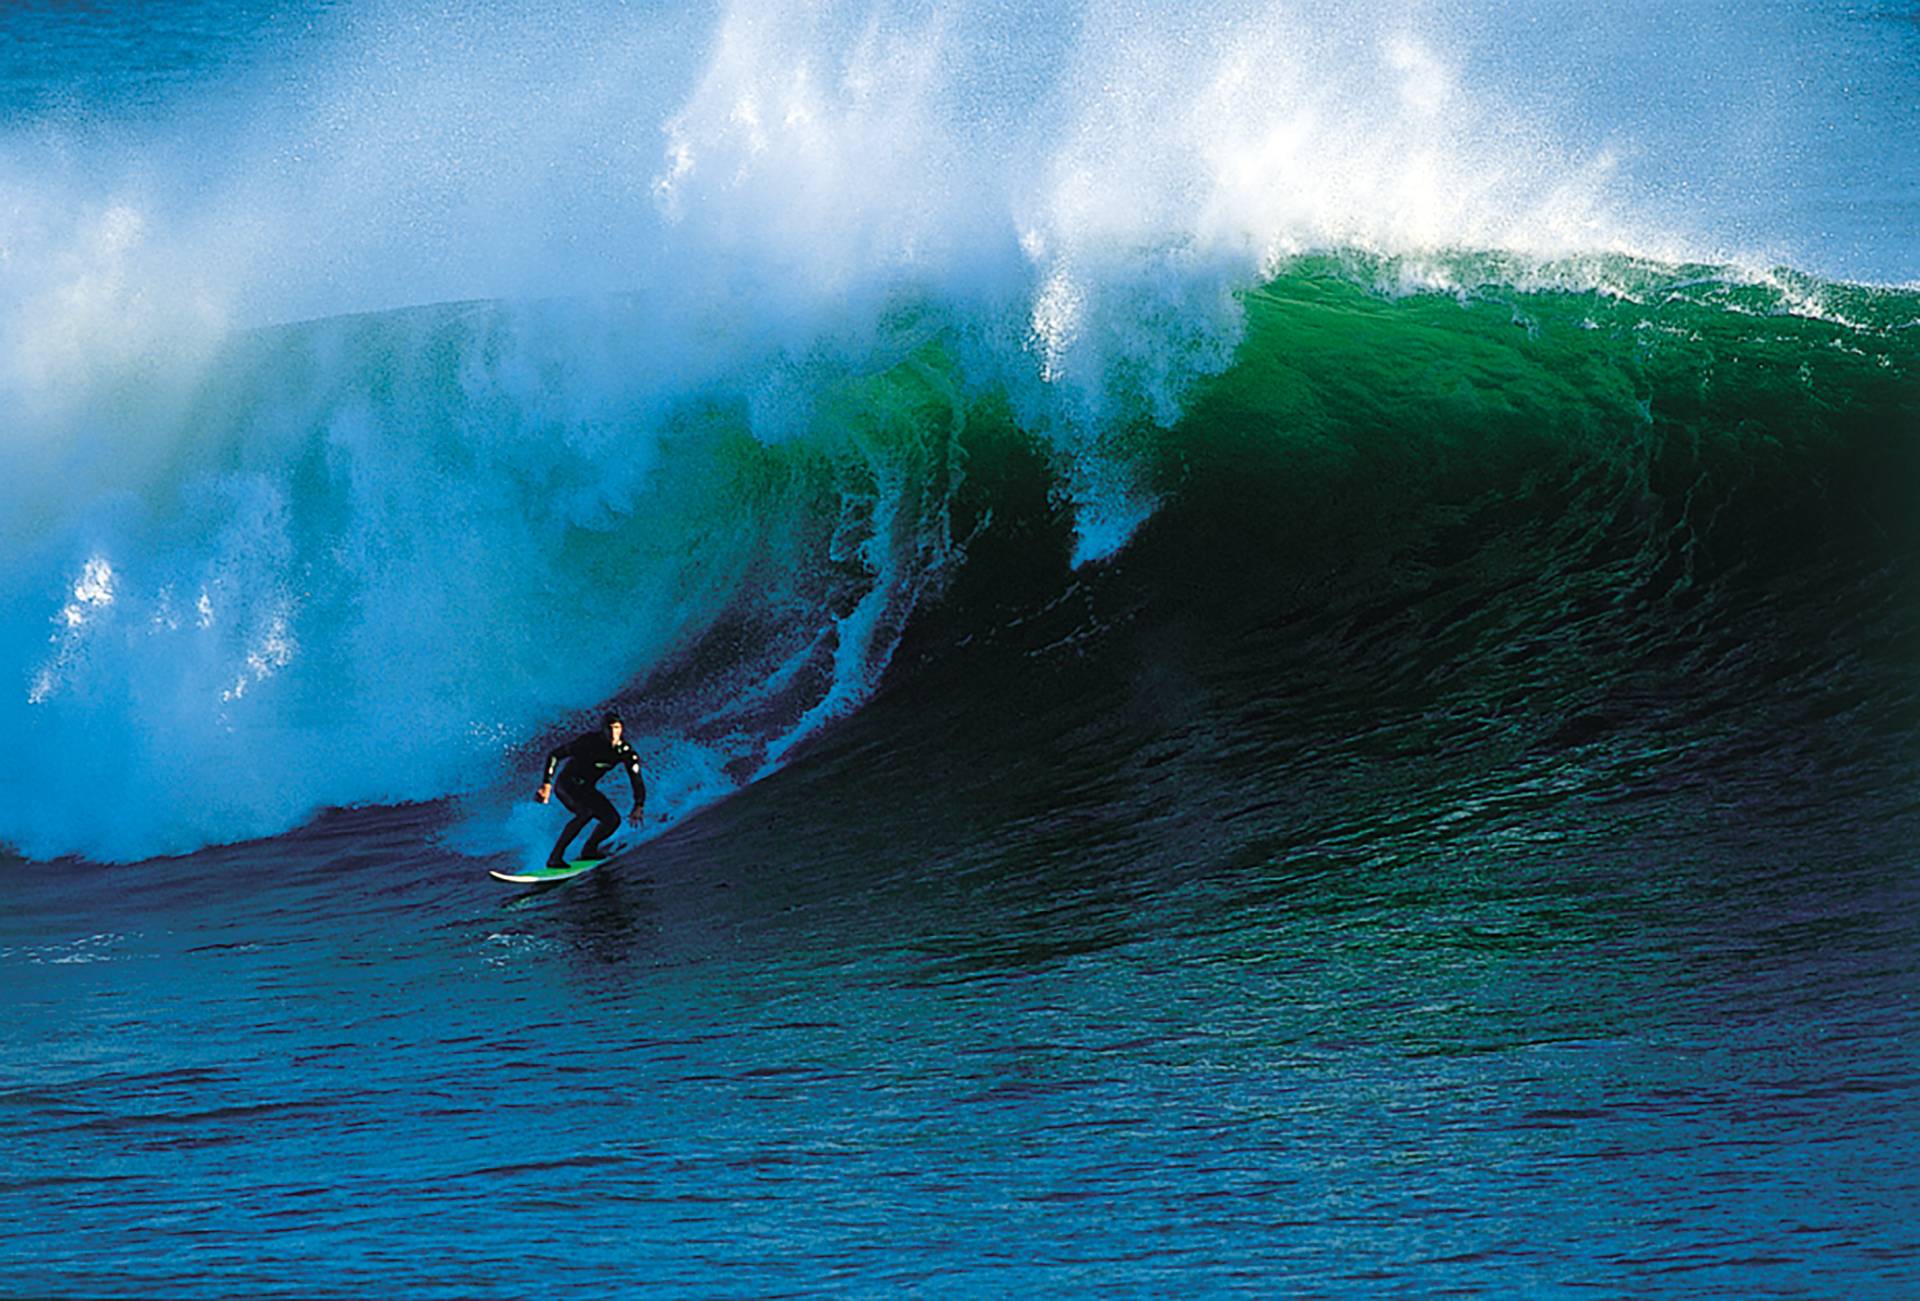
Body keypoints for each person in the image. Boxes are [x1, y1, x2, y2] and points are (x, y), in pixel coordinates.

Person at [537, 713, 645, 869]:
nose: (613, 733)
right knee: (585, 813)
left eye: (616, 728)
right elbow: (555, 755)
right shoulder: (589, 742)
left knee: (612, 820)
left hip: (586, 788)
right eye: (609, 728)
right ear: (603, 730)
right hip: (566, 784)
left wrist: (639, 805)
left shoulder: (626, 752)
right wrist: (546, 784)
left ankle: (589, 850)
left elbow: (636, 778)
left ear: (621, 729)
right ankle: (555, 858)